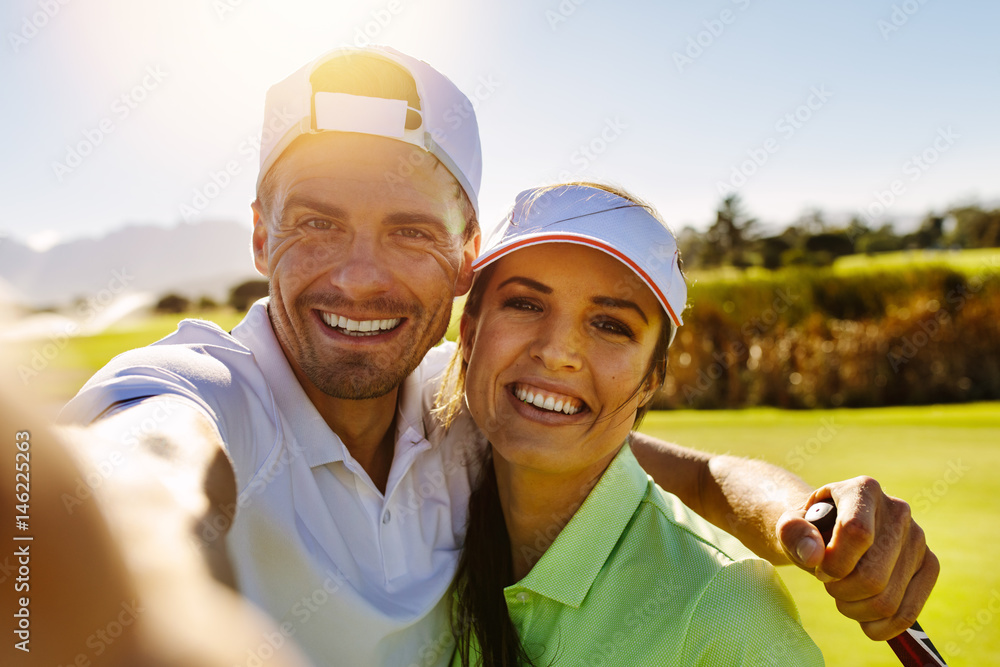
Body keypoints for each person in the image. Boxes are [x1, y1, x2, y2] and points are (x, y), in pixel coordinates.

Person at [59, 46, 937, 666]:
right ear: (259, 233)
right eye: (318, 222)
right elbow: (142, 462)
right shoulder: (205, 388)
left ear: (463, 251)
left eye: (408, 231)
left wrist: (811, 525)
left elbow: (695, 478)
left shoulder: (455, 403)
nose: (359, 279)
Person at [439, 182, 824, 666]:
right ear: (469, 333)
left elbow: (707, 478)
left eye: (610, 325)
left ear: (650, 381)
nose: (557, 352)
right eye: (525, 304)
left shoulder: (728, 611)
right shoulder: (418, 447)